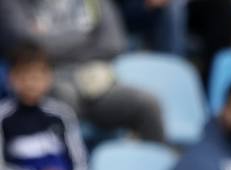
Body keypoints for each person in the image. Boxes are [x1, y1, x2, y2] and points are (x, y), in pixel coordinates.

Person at [0, 43, 128, 170]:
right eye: (24, 77)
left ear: (48, 79)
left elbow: (79, 157)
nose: (31, 83)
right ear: (11, 79)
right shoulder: (3, 116)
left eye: (37, 77)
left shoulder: (61, 113)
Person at [0, 0, 165, 142]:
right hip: (48, 81)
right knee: (65, 100)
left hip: (96, 82)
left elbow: (114, 44)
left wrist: (52, 42)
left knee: (147, 104)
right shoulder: (15, 3)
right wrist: (86, 37)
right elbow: (28, 46)